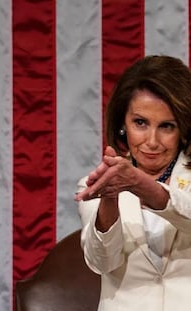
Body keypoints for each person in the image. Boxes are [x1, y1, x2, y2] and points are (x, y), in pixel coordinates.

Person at [75, 55, 191, 310]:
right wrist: (110, 198)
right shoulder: (93, 184)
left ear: (183, 129)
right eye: (140, 123)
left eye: (167, 126)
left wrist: (144, 187)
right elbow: (101, 262)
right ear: (122, 126)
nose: (152, 141)